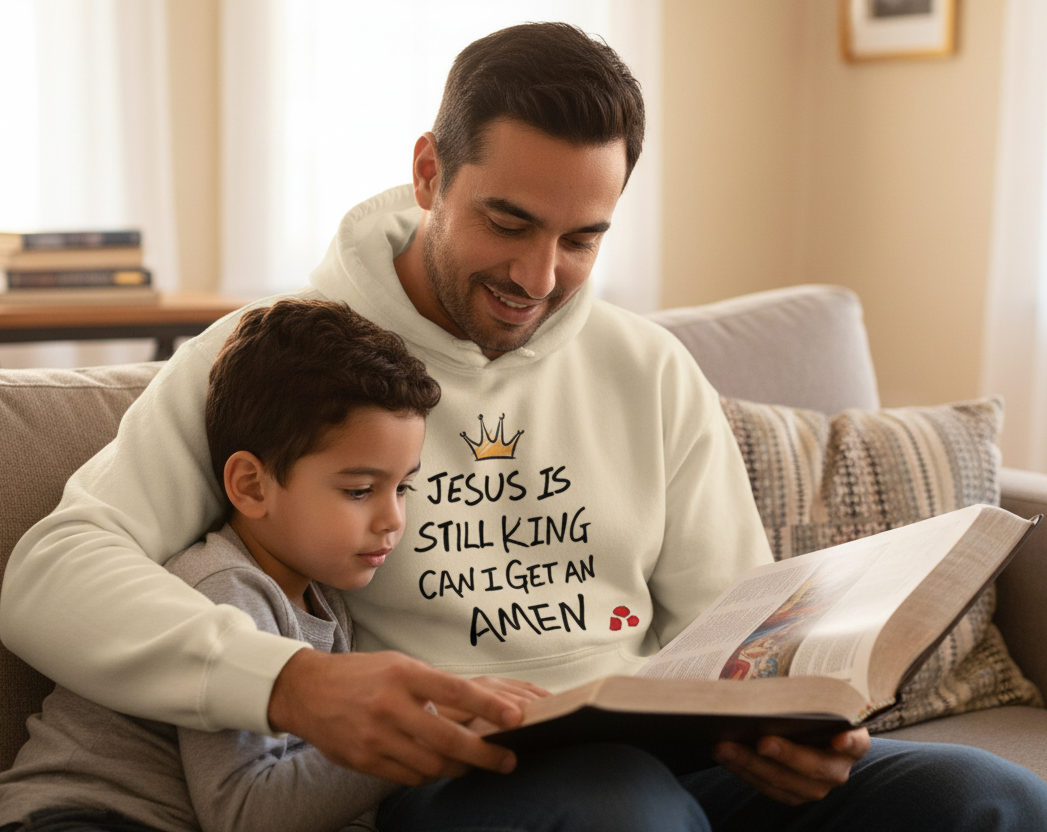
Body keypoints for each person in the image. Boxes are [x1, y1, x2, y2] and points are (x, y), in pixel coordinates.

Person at [1, 20, 1045, 832]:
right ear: (429, 173)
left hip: (661, 766)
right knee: (622, 812)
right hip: (466, 781)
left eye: (582, 239)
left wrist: (782, 723)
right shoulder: (282, 359)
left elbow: (730, 624)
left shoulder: (648, 369)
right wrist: (289, 682)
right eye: (508, 222)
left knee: (986, 797)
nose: (538, 278)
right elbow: (54, 571)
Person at [0, 298, 502, 831]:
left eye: (403, 488)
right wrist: (413, 743)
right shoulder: (227, 589)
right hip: (76, 818)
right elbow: (243, 814)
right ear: (251, 486)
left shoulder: (326, 604)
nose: (393, 520)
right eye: (359, 490)